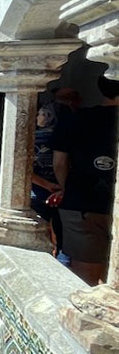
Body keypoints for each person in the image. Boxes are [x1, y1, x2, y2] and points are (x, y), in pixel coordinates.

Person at [49, 76, 119, 285]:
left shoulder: (75, 119)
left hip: (82, 203)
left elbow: (59, 163)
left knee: (84, 277)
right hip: (98, 201)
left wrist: (66, 188)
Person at [31, 104, 64, 257]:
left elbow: (24, 169)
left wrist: (47, 185)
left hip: (39, 192)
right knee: (60, 235)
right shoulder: (66, 139)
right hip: (62, 192)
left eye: (41, 114)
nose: (37, 117)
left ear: (48, 117)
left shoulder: (32, 138)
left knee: (38, 235)